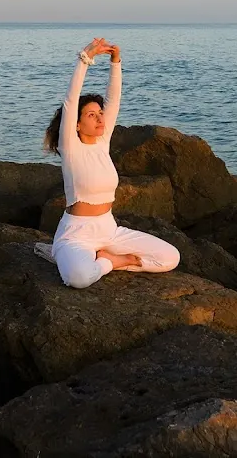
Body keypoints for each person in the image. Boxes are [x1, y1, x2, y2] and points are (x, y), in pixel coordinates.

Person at [42, 37, 181, 288]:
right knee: (79, 279)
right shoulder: (71, 147)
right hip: (76, 235)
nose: (99, 119)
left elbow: (113, 100)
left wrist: (115, 62)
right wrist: (85, 58)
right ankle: (110, 262)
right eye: (91, 115)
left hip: (109, 230)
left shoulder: (102, 142)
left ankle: (109, 259)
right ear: (76, 123)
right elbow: (71, 101)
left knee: (171, 258)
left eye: (100, 114)